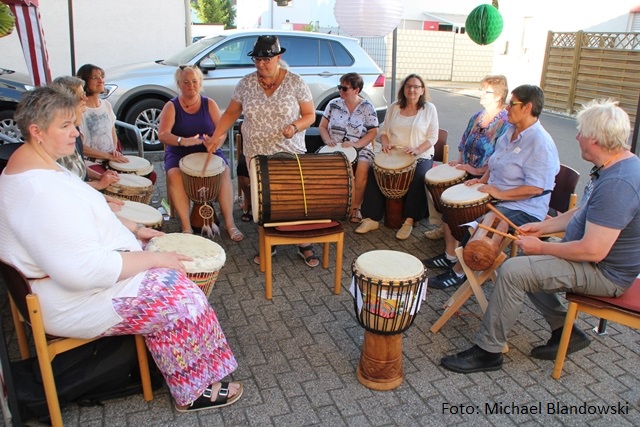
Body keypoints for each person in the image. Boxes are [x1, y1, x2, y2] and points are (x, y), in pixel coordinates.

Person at [0, 86, 243, 411]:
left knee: (176, 281)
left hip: (78, 284)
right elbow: (84, 272)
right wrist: (154, 257)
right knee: (182, 299)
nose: (76, 132)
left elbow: (87, 215)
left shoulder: (36, 163)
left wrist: (137, 231)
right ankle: (194, 391)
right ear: (36, 131)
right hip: (73, 300)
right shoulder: (36, 193)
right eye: (66, 126)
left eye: (74, 123)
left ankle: (184, 364)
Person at [440, 99, 640, 373]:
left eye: (581, 132)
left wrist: (542, 248)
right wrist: (543, 229)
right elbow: (585, 212)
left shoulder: (619, 182)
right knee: (529, 266)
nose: (577, 137)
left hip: (604, 273)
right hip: (594, 261)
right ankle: (564, 331)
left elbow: (594, 250)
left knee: (514, 270)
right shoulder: (613, 165)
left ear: (595, 139)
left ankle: (488, 351)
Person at [424, 84, 560, 289]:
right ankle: (451, 256)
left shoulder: (540, 143)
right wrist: (482, 180)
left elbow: (536, 189)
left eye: (512, 103)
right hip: (495, 195)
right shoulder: (511, 131)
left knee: (479, 225)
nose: (506, 108)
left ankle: (459, 273)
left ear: (527, 107)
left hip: (523, 207)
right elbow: (495, 162)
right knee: (450, 208)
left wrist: (499, 192)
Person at [208, 35, 318, 267]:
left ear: (278, 57)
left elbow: (310, 115)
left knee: (292, 198)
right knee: (265, 200)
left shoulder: (296, 82)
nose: (260, 64)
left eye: (266, 59)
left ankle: (303, 243)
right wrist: (217, 136)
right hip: (256, 152)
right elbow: (230, 113)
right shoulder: (246, 83)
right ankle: (271, 242)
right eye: (257, 59)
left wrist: (295, 126)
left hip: (289, 150)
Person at [157, 65, 243, 241]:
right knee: (174, 174)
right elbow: (163, 134)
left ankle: (230, 223)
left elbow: (223, 129)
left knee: (224, 171)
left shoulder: (209, 103)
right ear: (179, 84)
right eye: (186, 82)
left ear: (200, 83)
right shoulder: (171, 106)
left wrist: (216, 141)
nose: (191, 85)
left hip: (208, 151)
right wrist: (183, 141)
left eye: (194, 81)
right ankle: (186, 227)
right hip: (179, 153)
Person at [425, 75, 509, 240]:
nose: (482, 94)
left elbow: (500, 158)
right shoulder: (477, 117)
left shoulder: (505, 123)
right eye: (482, 90)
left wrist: (476, 170)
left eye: (487, 91)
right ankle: (445, 226)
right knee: (431, 182)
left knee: (452, 196)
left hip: (485, 177)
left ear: (499, 96)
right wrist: (460, 161)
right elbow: (464, 142)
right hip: (467, 170)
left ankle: (458, 234)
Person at [355, 74, 438, 240]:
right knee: (374, 172)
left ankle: (409, 221)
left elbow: (433, 137)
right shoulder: (394, 106)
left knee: (419, 177)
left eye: (416, 86)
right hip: (394, 154)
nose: (412, 90)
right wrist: (385, 144)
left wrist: (417, 149)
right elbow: (383, 131)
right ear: (403, 89)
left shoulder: (429, 109)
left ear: (422, 90)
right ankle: (372, 218)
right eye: (408, 86)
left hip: (420, 154)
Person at [318, 73, 378, 223]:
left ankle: (356, 207)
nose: (341, 91)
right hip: (337, 146)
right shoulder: (333, 104)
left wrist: (356, 145)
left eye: (345, 88)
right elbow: (322, 126)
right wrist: (327, 140)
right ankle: (339, 206)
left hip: (361, 146)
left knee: (362, 169)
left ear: (356, 90)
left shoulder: (367, 107)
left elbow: (373, 132)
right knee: (347, 172)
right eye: (340, 87)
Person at [52, 76, 121, 199]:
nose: (85, 98)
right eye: (80, 95)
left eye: (83, 93)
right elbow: (67, 188)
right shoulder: (59, 140)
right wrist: (99, 185)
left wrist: (100, 176)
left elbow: (79, 167)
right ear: (65, 101)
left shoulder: (73, 129)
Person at [76, 64, 128, 172]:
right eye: (95, 77)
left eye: (101, 76)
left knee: (149, 175)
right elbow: (80, 147)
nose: (101, 80)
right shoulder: (80, 110)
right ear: (84, 82)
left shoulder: (106, 105)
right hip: (91, 163)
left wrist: (114, 150)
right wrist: (106, 156)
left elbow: (113, 133)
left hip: (111, 160)